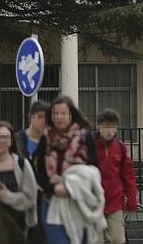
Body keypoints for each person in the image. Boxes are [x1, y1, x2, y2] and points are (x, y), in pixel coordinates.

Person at [41, 96, 105, 244]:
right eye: (55, 113)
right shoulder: (45, 138)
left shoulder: (84, 136)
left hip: (78, 200)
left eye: (63, 113)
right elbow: (40, 172)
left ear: (71, 114)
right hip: (52, 200)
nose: (59, 117)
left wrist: (72, 187)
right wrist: (54, 187)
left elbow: (95, 168)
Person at [94, 108, 138, 244]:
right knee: (96, 240)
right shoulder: (90, 147)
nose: (109, 130)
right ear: (99, 127)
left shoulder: (121, 148)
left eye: (112, 126)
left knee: (118, 239)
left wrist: (132, 201)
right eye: (106, 126)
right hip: (94, 202)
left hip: (114, 202)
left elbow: (128, 175)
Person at [15, 100, 50, 244]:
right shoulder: (18, 140)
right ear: (31, 117)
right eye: (40, 117)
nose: (44, 121)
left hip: (43, 197)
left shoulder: (50, 142)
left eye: (47, 118)